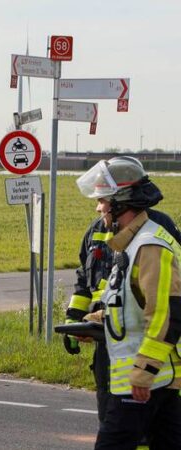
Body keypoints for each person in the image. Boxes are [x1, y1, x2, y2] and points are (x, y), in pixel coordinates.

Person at [64, 156, 181, 424]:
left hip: (151, 349)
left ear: (120, 202)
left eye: (102, 200)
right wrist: (75, 318)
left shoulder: (153, 234)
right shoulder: (96, 230)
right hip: (110, 338)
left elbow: (164, 307)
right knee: (115, 417)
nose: (97, 208)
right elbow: (85, 276)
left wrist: (145, 367)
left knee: (131, 431)